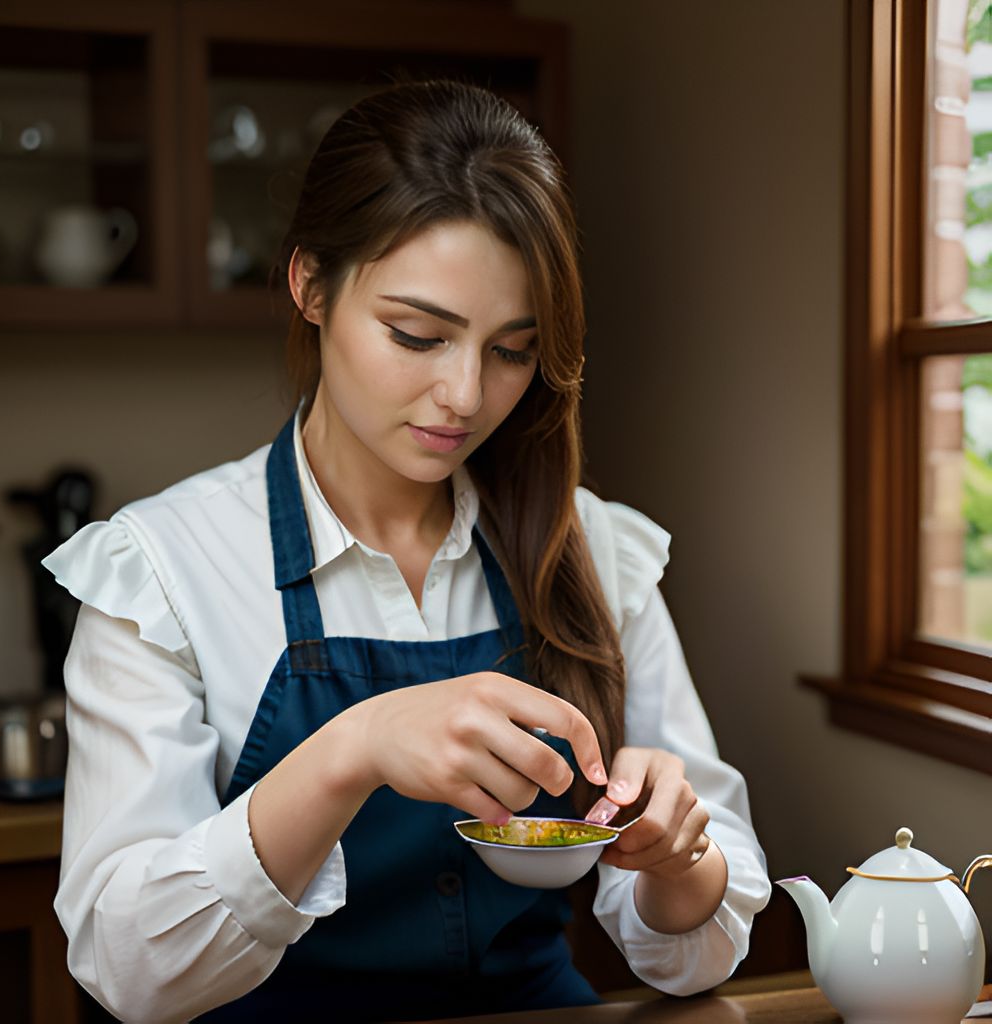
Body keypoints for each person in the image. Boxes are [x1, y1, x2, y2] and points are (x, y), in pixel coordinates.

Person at [43, 79, 770, 1023]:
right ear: (309, 285)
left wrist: (680, 856)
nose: (465, 395)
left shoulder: (588, 545)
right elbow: (128, 970)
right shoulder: (163, 569)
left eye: (512, 349)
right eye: (417, 335)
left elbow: (693, 960)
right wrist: (354, 749)